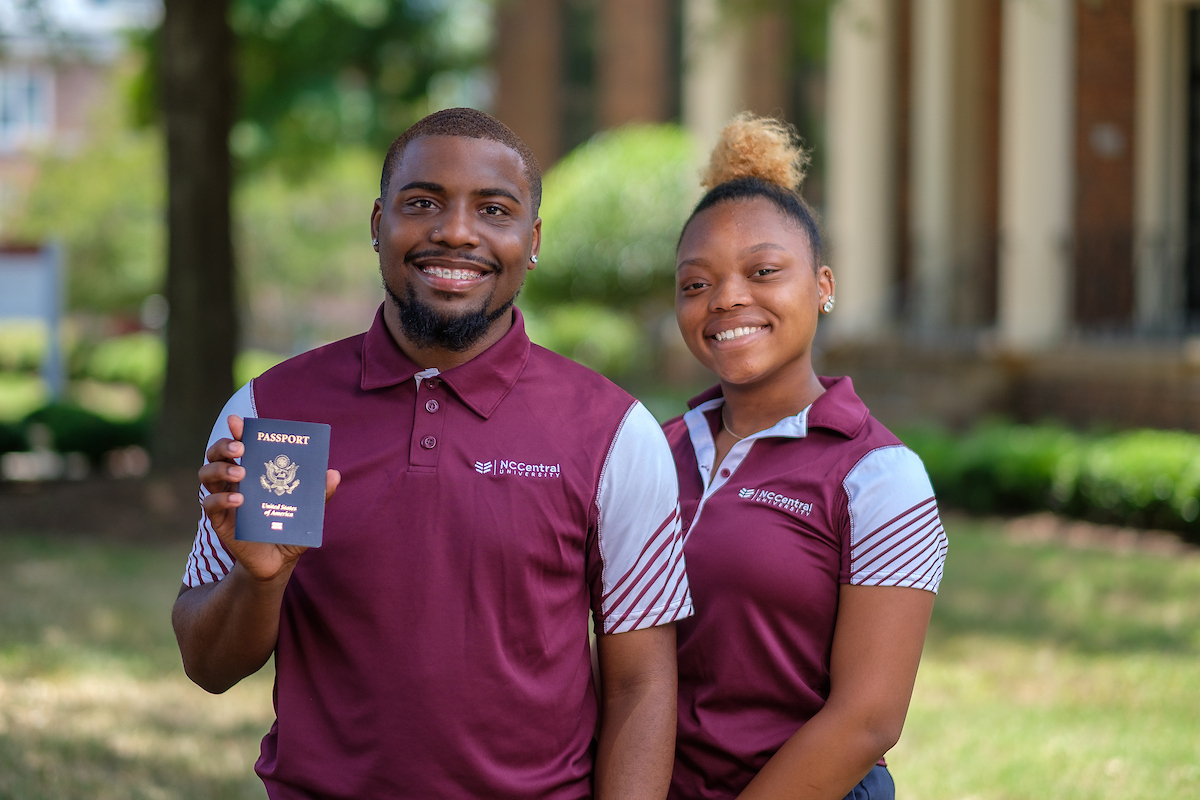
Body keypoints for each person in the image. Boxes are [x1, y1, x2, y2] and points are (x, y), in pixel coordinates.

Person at [173, 108, 692, 800]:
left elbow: (641, 685)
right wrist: (258, 581)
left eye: (494, 210)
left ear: (532, 240)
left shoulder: (614, 432)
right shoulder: (272, 411)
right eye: (422, 203)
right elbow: (207, 667)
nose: (455, 232)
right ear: (377, 223)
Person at [662, 114, 948, 800]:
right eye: (696, 284)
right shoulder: (651, 451)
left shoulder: (879, 475)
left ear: (823, 286)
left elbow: (867, 720)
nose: (727, 298)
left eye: (763, 272)